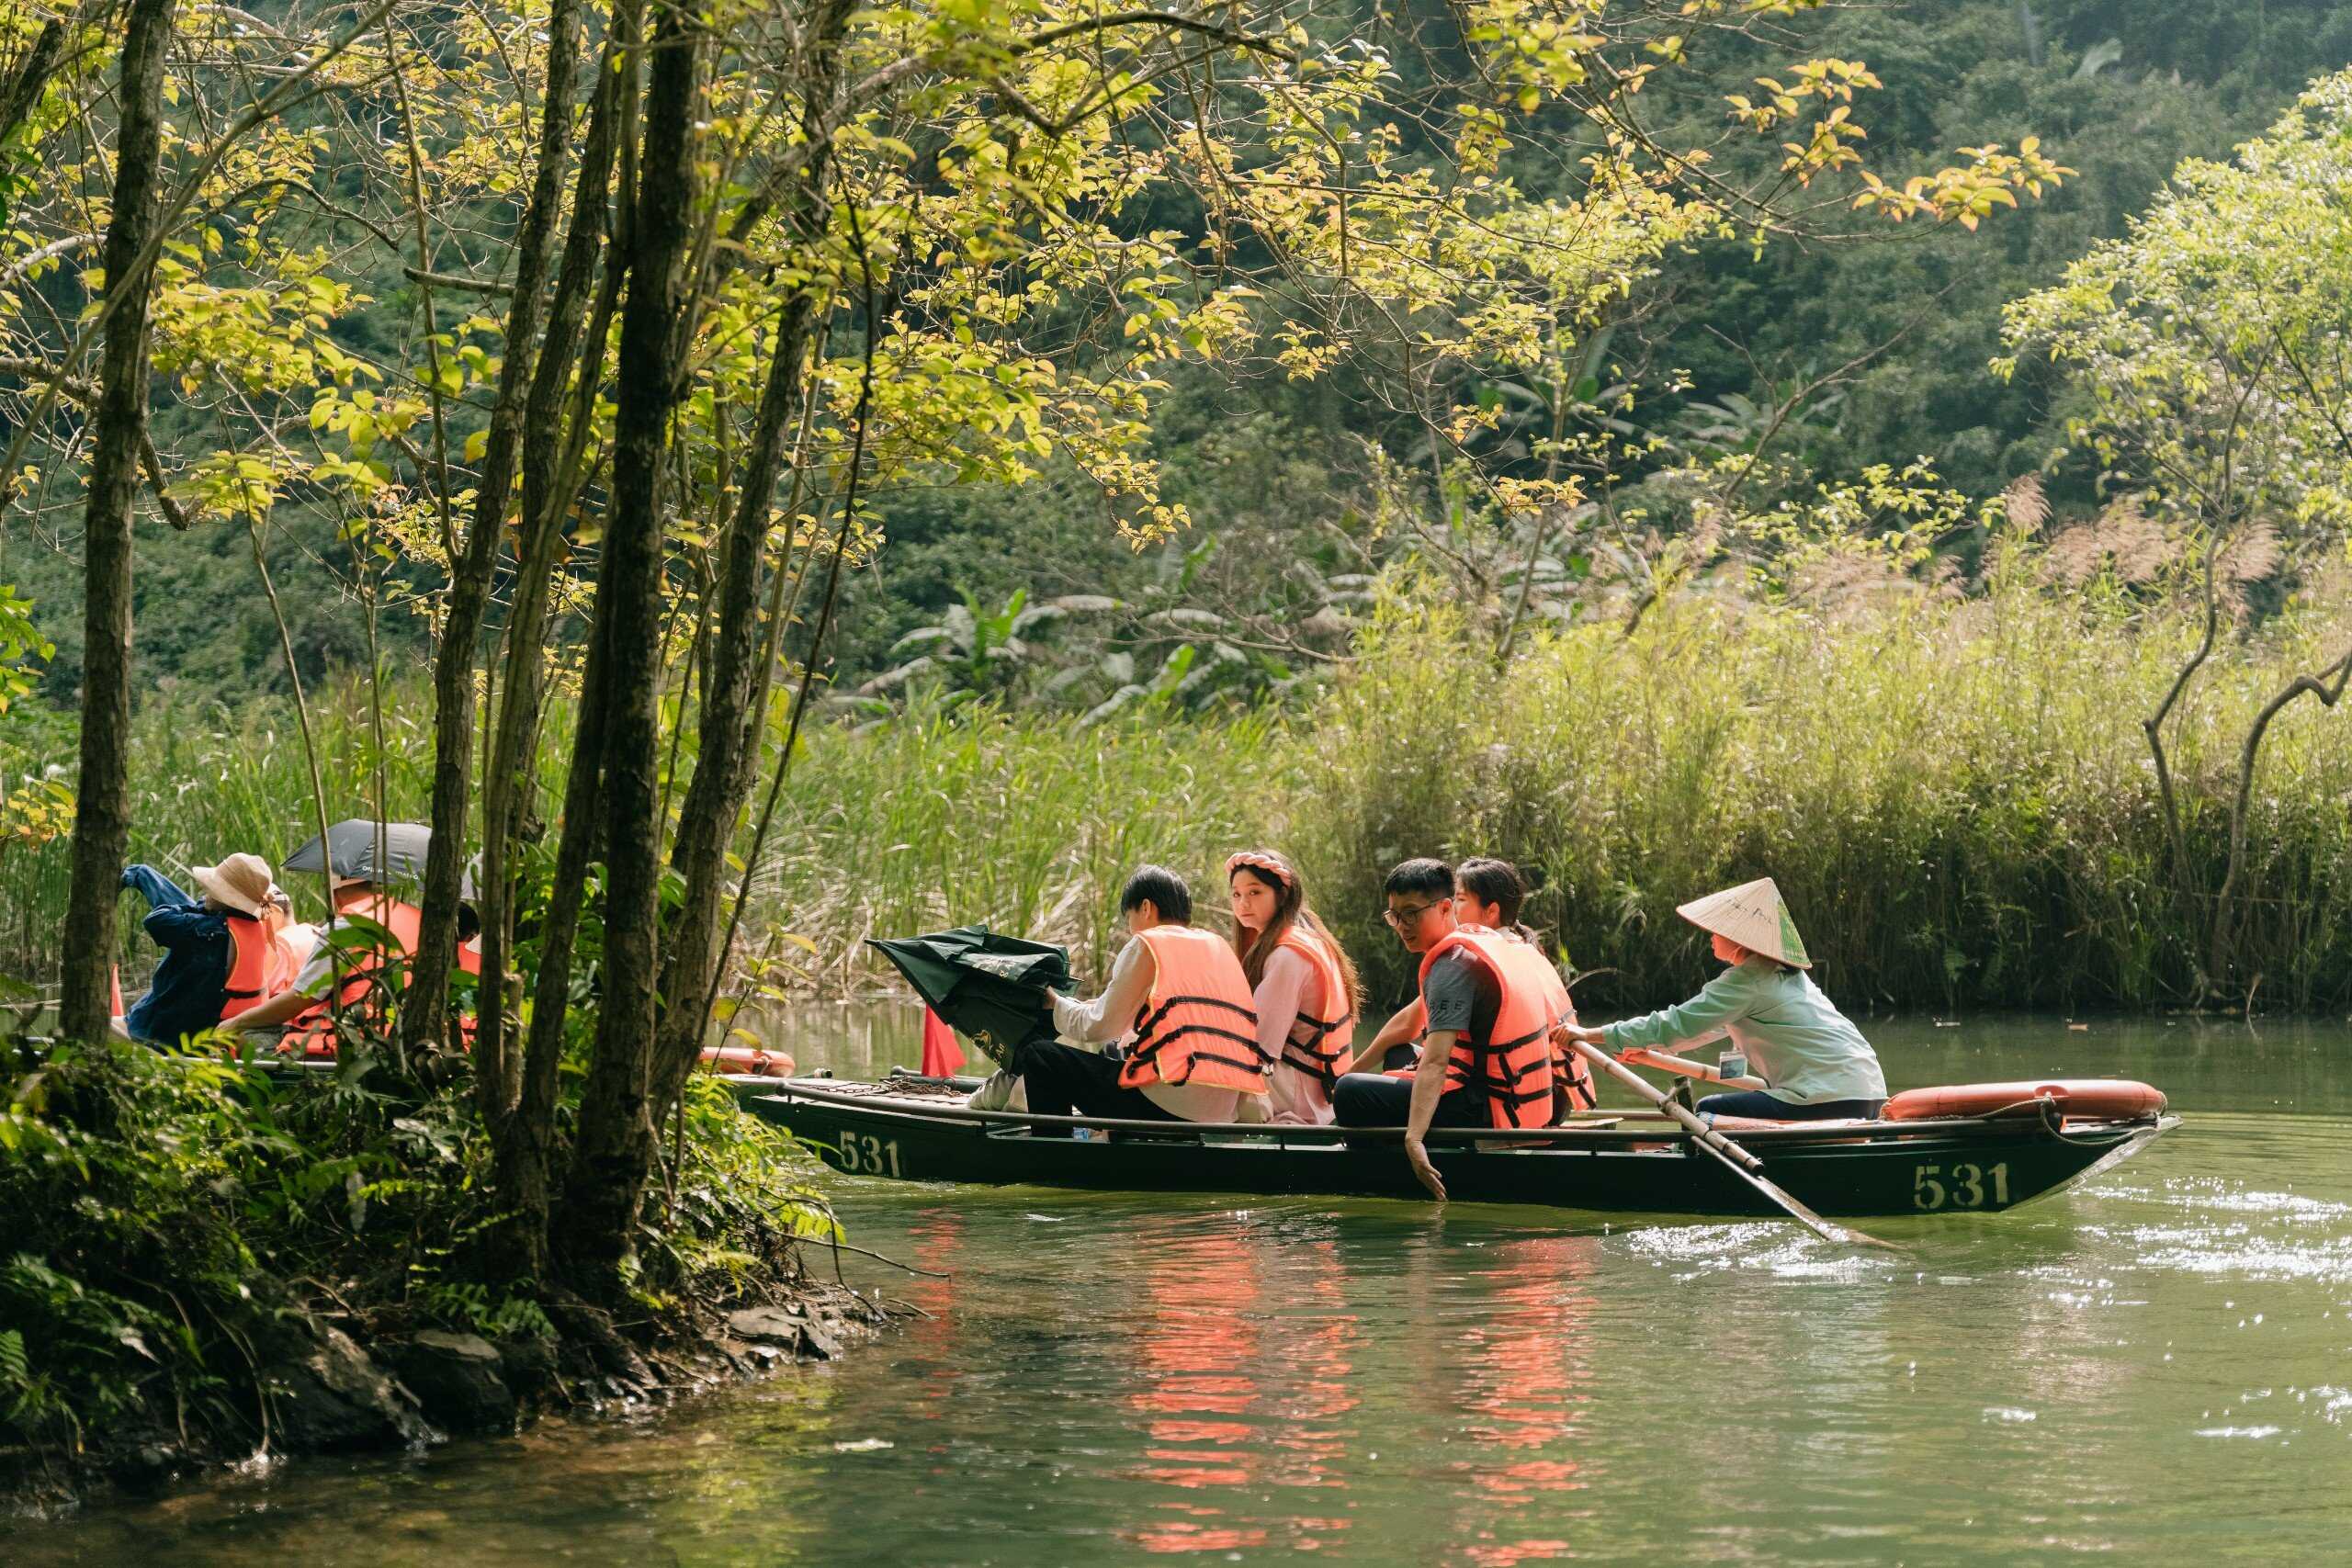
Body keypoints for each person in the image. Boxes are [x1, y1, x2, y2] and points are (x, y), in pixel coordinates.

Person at [1332, 858, 1575, 1200]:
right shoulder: (1477, 944)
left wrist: (1414, 1139)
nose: (1402, 925)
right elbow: (1407, 1028)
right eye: (1395, 916)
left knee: (1349, 1092)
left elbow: (1436, 1062)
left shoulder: (1451, 966)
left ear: (1445, 908)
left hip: (1487, 1109)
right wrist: (1354, 1068)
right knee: (1397, 1055)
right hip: (1510, 1096)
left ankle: (1389, 1164)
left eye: (1412, 913)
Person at [1555, 876, 1887, 1121]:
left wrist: (1589, 1035)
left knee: (1708, 1110)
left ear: (1740, 939)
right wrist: (1642, 1046)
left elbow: (1677, 1023)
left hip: (1826, 1098)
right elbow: (1697, 1030)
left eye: (1718, 930)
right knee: (1721, 1108)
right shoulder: (1786, 976)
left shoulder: (1747, 980)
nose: (1711, 936)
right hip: (1869, 1094)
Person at [1014, 864, 1268, 1132]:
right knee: (1114, 1054)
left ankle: (1054, 1158)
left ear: (1146, 907)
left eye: (1130, 917)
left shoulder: (1148, 943)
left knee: (1041, 1056)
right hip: (1223, 1111)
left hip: (1167, 1108)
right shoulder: (1218, 947)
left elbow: (1098, 1027)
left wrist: (1054, 1003)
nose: (1130, 928)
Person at [1226, 849, 1361, 1125]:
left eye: (1255, 892)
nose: (1243, 903)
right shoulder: (1308, 937)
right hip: (1320, 1089)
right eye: (1236, 894)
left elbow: (1259, 1043)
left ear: (1282, 895)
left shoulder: (1287, 955)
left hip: (1299, 1093)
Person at [1452, 857, 1594, 1117]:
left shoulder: (1483, 962)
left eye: (1460, 900)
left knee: (1398, 1058)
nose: (1452, 909)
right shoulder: (1524, 949)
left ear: (1491, 911)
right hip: (1550, 1102)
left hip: (1509, 1108)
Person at [220, 874, 423, 1053]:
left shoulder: (346, 926)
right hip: (414, 1033)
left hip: (358, 1035)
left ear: (334, 893)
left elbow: (301, 998)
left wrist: (234, 1023)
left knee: (241, 1036)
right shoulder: (417, 918)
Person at [112, 853, 297, 1046]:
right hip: (214, 1031)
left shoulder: (211, 932)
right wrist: (143, 874)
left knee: (85, 1029)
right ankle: (137, 873)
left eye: (212, 888)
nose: (204, 890)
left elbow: (156, 921)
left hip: (167, 1037)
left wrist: (202, 907)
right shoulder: (254, 928)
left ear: (227, 899)